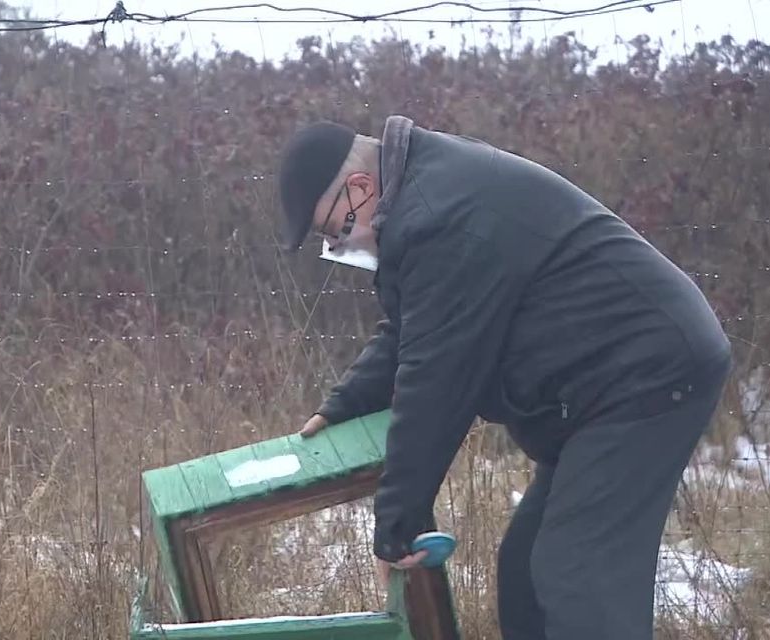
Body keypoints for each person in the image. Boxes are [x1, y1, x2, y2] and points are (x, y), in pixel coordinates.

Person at [276, 115, 733, 640]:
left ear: (359, 186)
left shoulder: (440, 215)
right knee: (525, 574)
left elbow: (436, 378)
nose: (341, 247)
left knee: (578, 574)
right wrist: (343, 404)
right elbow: (412, 329)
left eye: (336, 230)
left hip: (647, 371)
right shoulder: (425, 196)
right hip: (597, 385)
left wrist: (397, 527)